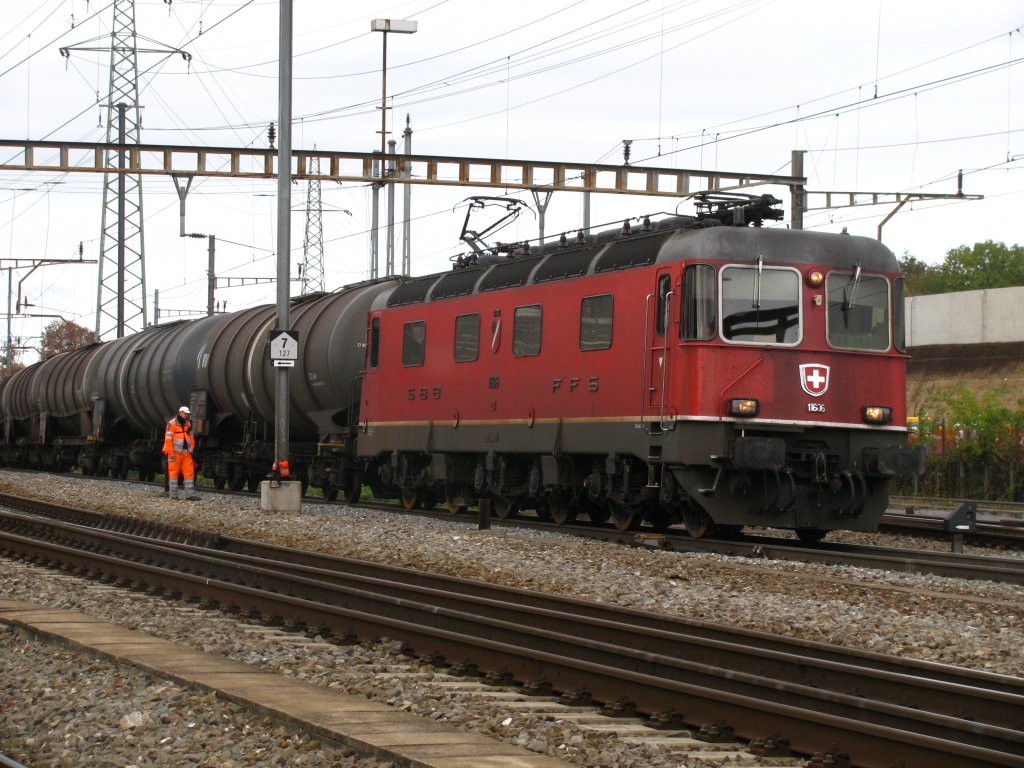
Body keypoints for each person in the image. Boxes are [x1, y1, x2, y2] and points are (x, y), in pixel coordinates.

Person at [163, 405, 200, 501]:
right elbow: (168, 439)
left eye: (188, 414)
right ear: (181, 413)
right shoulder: (171, 424)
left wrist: (191, 449)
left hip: (186, 453)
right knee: (174, 475)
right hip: (174, 453)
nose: (187, 415)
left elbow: (191, 437)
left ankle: (190, 495)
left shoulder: (188, 424)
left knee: (189, 474)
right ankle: (174, 496)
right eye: (186, 413)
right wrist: (170, 452)